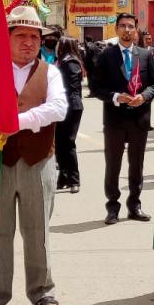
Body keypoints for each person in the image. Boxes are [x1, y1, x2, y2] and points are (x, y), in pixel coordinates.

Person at [0, 5, 68, 305]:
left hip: (37, 161)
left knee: (37, 230)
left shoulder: (50, 72)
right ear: (7, 38)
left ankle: (42, 291)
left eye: (34, 36)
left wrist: (17, 121)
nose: (28, 42)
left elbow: (57, 109)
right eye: (21, 35)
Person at [91, 13, 154, 225]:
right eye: (123, 26)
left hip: (139, 119)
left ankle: (135, 205)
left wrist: (144, 96)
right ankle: (112, 207)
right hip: (115, 119)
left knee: (136, 165)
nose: (127, 30)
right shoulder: (106, 55)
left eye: (131, 26)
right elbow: (95, 87)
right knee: (113, 164)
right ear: (116, 30)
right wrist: (114, 97)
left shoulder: (146, 55)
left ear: (136, 30)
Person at [54, 36, 85, 194]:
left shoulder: (71, 63)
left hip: (71, 107)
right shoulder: (62, 61)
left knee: (68, 143)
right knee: (59, 143)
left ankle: (74, 180)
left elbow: (70, 87)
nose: (56, 46)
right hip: (61, 106)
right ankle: (63, 177)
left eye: (59, 44)